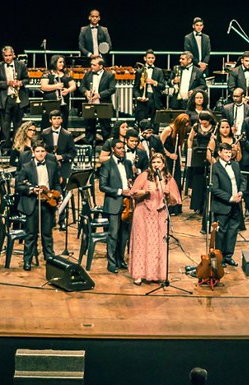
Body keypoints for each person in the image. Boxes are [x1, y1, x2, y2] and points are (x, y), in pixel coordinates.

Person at [128, 153, 182, 285]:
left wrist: (168, 194)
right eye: (154, 162)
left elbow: (175, 201)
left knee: (158, 243)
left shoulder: (169, 179)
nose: (156, 165)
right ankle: (139, 274)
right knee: (142, 243)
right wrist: (145, 191)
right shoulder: (144, 176)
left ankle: (156, 274)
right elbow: (133, 194)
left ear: (163, 165)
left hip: (160, 214)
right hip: (143, 213)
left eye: (159, 162)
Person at [14, 140, 61, 271]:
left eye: (42, 151)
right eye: (38, 151)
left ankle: (50, 258)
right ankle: (27, 261)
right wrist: (31, 190)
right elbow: (19, 185)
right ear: (33, 153)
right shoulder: (26, 166)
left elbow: (57, 183)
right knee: (31, 234)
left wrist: (58, 195)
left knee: (47, 234)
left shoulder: (52, 165)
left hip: (48, 203)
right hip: (32, 203)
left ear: (46, 152)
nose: (40, 154)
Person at [100, 138, 135, 273]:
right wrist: (120, 191)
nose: (122, 151)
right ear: (113, 149)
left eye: (123, 148)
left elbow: (129, 178)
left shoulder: (127, 163)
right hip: (114, 203)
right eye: (119, 148)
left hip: (127, 204)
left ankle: (120, 260)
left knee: (124, 235)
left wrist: (130, 183)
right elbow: (103, 186)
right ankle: (111, 262)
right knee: (113, 234)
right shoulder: (107, 165)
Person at [210, 143, 244, 267]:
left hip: (236, 205)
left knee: (232, 231)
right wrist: (230, 198)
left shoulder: (235, 165)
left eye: (230, 152)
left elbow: (242, 180)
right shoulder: (215, 167)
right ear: (219, 153)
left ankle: (228, 256)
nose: (229, 154)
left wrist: (240, 193)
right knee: (221, 233)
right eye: (226, 152)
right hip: (223, 205)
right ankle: (220, 258)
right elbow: (214, 188)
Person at [0, 45, 29, 145]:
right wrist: (7, 83)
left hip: (18, 99)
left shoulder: (21, 65)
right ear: (3, 56)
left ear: (13, 55)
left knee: (18, 124)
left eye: (9, 55)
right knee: (5, 125)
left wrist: (21, 83)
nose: (8, 58)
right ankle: (6, 147)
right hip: (5, 99)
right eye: (5, 56)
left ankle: (17, 146)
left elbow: (26, 79)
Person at [78, 56, 116, 144]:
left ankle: (107, 147)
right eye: (91, 64)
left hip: (103, 104)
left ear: (101, 66)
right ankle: (90, 147)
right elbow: (81, 86)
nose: (91, 66)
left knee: (105, 127)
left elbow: (112, 89)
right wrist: (86, 92)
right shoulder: (88, 74)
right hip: (90, 104)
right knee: (89, 127)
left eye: (94, 65)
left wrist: (99, 95)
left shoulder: (109, 75)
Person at [160, 113, 191, 213]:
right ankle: (168, 206)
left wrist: (180, 159)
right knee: (168, 180)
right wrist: (169, 155)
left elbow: (179, 145)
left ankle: (176, 207)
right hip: (167, 158)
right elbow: (160, 144)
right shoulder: (168, 130)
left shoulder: (179, 131)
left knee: (176, 181)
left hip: (175, 157)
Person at [188, 111, 217, 215]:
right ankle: (197, 205)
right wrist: (189, 150)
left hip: (209, 152)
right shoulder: (196, 126)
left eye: (205, 121)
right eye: (201, 120)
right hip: (198, 153)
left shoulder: (214, 127)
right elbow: (190, 139)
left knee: (208, 178)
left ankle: (207, 204)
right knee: (198, 179)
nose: (203, 123)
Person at [39, 54, 77, 128]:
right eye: (60, 62)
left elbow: (73, 86)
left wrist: (68, 90)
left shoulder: (66, 74)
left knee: (63, 123)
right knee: (47, 124)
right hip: (50, 104)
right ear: (54, 62)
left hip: (63, 104)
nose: (62, 64)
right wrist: (56, 86)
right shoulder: (47, 73)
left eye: (63, 62)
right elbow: (43, 87)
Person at [41, 109, 77, 183]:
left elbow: (73, 153)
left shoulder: (68, 135)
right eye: (54, 119)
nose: (57, 121)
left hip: (63, 164)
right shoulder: (44, 133)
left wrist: (61, 157)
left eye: (58, 118)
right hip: (48, 163)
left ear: (61, 120)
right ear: (50, 120)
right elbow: (41, 149)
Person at [134, 50, 166, 125]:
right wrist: (138, 97)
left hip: (155, 99)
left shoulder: (159, 71)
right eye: (149, 58)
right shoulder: (139, 71)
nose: (151, 60)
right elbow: (135, 88)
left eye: (152, 58)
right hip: (143, 100)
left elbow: (163, 86)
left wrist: (154, 82)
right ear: (145, 58)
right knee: (142, 123)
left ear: (154, 59)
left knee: (155, 123)